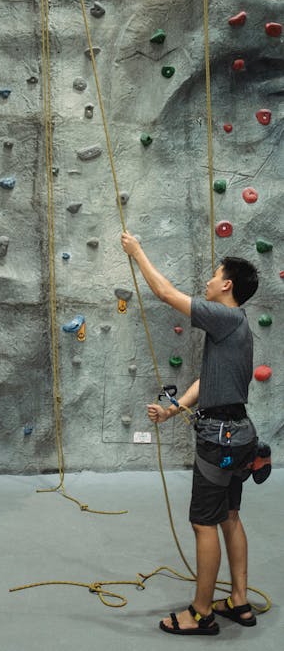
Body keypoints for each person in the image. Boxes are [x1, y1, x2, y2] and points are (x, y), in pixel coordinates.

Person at [121, 231, 262, 637]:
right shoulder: (237, 327)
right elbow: (207, 379)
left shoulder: (225, 315)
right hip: (240, 434)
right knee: (230, 516)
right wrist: (174, 409)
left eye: (215, 275)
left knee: (204, 523)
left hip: (219, 439)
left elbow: (165, 293)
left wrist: (137, 252)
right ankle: (238, 600)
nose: (209, 280)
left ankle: (201, 613)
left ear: (227, 285)